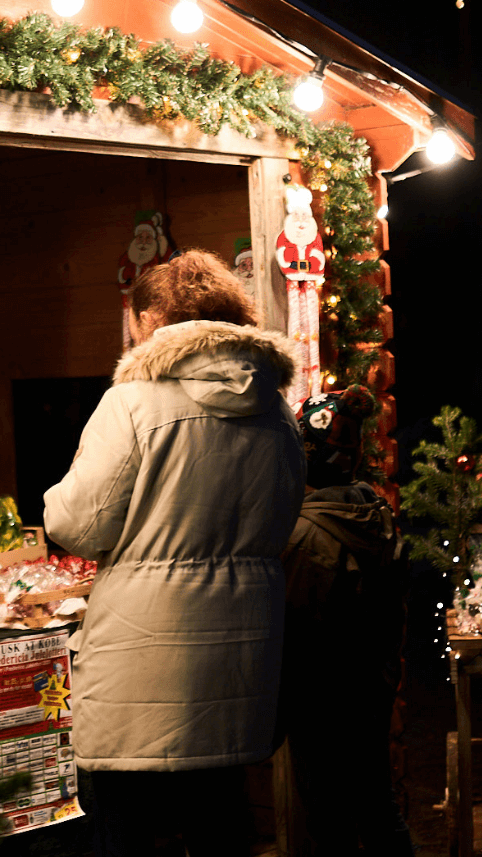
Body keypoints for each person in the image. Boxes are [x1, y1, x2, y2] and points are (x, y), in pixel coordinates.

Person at [43, 249, 304, 857]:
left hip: (141, 662)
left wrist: (61, 490)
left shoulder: (132, 403)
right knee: (222, 825)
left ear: (151, 318)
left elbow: (77, 524)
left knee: (126, 832)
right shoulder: (277, 410)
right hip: (242, 654)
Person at [280, 386, 414, 856]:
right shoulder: (372, 514)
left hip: (322, 703)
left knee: (329, 819)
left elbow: (296, 632)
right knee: (377, 805)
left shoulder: (305, 537)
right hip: (371, 690)